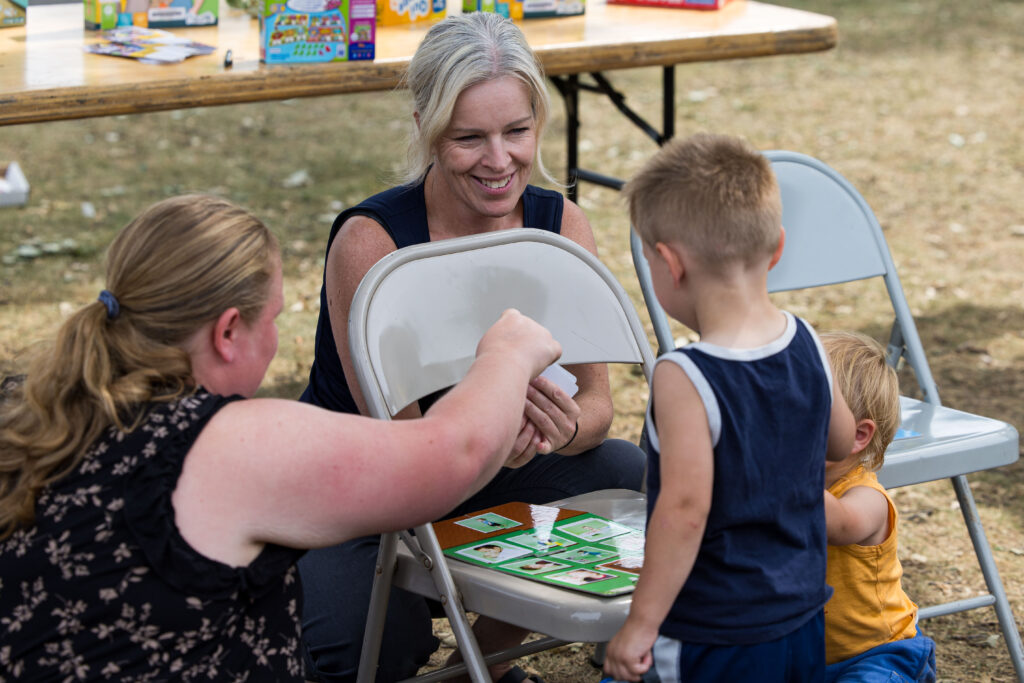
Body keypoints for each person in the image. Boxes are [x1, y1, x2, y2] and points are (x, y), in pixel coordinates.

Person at [0, 195, 564, 681]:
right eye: (270, 319)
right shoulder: (217, 443)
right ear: (227, 331)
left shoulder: (40, 415)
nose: (274, 340)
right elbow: (452, 455)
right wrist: (507, 355)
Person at [297, 12, 645, 683]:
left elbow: (598, 408)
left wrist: (564, 428)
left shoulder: (560, 226)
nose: (499, 159)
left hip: (482, 468)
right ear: (428, 129)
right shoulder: (373, 243)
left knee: (625, 474)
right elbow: (403, 456)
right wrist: (491, 432)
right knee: (371, 642)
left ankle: (473, 667)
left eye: (516, 130)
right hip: (363, 487)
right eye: (468, 138)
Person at [603, 133, 856, 682]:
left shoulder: (685, 376)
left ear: (669, 264)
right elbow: (840, 442)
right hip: (801, 613)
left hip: (712, 629)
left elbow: (684, 511)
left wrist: (641, 624)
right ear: (778, 248)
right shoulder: (808, 341)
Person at [820, 331, 937, 682]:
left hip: (879, 654)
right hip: (808, 653)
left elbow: (839, 525)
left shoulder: (866, 497)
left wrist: (780, 470)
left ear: (857, 435)